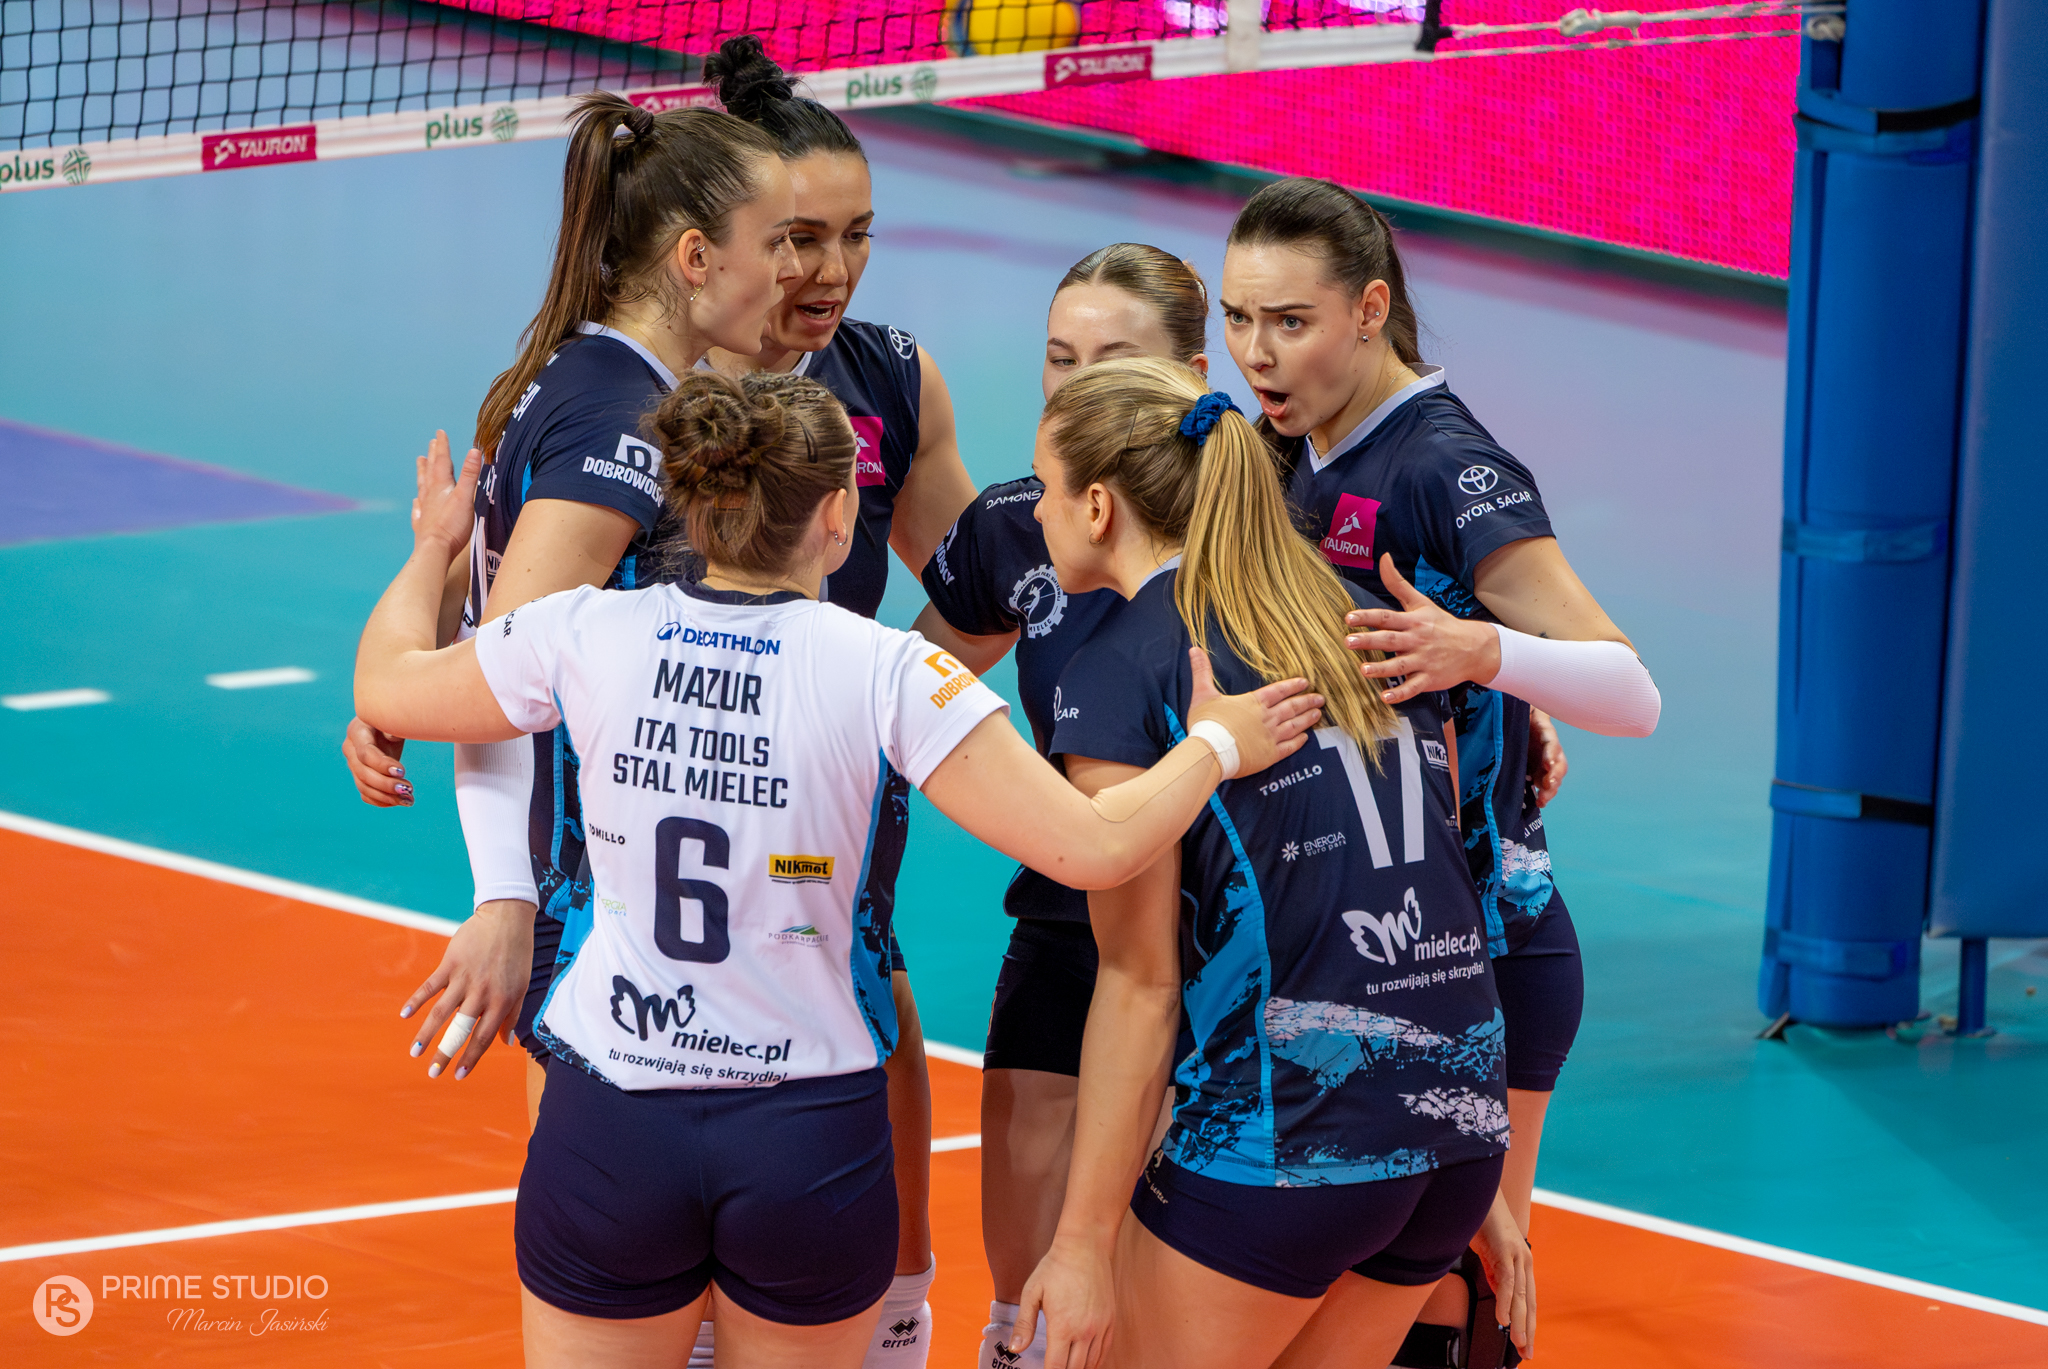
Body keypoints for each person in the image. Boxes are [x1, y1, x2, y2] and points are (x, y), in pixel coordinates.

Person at [353, 367, 1324, 1368]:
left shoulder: (580, 631)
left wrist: (434, 549)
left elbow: (386, 683)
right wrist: (1215, 745)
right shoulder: (885, 668)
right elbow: (1098, 845)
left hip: (614, 1122)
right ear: (835, 515)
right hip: (804, 1137)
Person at [1219, 177, 1661, 1366]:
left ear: (1369, 311)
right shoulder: (1288, 445)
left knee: (1461, 1291)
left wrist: (1487, 656)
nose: (1257, 353)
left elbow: (1630, 690)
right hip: (1365, 941)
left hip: (1483, 950)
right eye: (1238, 319)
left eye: (1290, 321)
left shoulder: (1443, 465)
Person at [1007, 357, 1520, 1369]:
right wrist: (1479, 1170)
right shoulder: (1358, 613)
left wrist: (1079, 1244)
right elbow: (1450, 871)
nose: (1033, 513)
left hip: (1291, 1141)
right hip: (1457, 1137)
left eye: (1045, 488)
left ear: (1099, 506)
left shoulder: (1120, 668)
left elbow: (1140, 983)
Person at [687, 36, 984, 1363]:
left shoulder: (890, 378)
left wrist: (880, 702)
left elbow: (983, 580)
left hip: (823, 797)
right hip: (663, 779)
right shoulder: (640, 384)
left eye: (857, 236)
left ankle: (899, 1302)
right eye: (801, 239)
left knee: (872, 988)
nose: (834, 270)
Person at [910, 242, 1212, 1368]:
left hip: (1214, 914)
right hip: (1071, 883)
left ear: (1188, 377)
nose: (1075, 383)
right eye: (1058, 356)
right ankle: (1011, 1342)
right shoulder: (1018, 524)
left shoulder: (1258, 520)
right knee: (1028, 1144)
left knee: (1148, 1221)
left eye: (1112, 358)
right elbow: (911, 681)